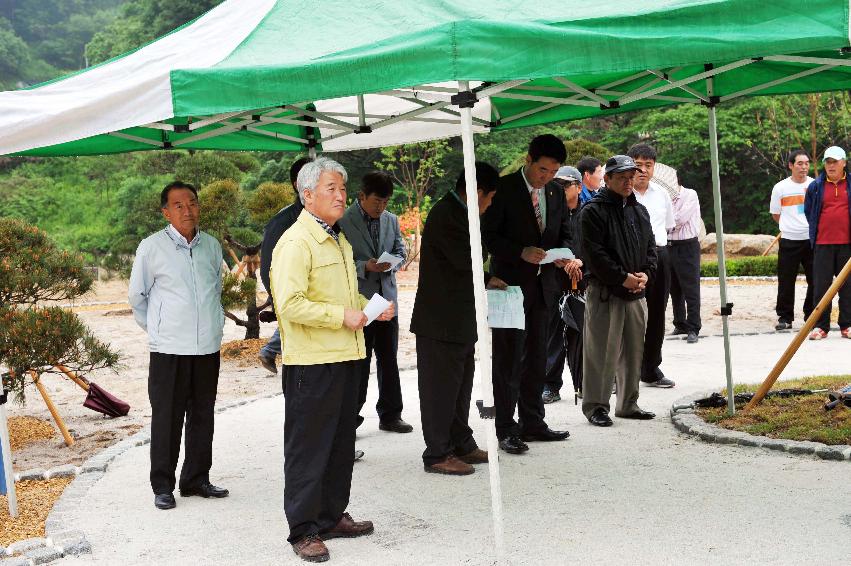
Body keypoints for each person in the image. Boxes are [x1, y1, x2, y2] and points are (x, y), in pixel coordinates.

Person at [270, 157, 394, 562]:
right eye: (330, 189)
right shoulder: (295, 242)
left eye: (342, 188)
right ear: (307, 195)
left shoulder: (337, 239)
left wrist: (370, 307)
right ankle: (302, 530)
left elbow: (342, 297)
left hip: (347, 355)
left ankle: (331, 515)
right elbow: (289, 304)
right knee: (309, 449)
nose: (340, 196)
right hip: (312, 363)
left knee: (341, 443)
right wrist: (342, 316)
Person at [129, 181, 229, 511]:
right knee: (167, 418)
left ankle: (196, 479)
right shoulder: (151, 247)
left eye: (192, 203)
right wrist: (160, 330)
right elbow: (137, 298)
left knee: (202, 415)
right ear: (166, 212)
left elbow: (217, 290)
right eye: (179, 205)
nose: (187, 210)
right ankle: (163, 486)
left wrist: (215, 325)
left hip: (206, 349)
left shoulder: (212, 246)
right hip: (168, 350)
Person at [481, 134, 577, 455]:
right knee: (508, 360)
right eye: (542, 170)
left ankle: (533, 421)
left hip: (543, 287)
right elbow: (488, 236)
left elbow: (565, 231)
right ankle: (506, 428)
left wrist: (565, 254)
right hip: (509, 287)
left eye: (553, 171)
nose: (547, 177)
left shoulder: (555, 192)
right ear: (528, 160)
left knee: (537, 357)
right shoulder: (504, 189)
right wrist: (520, 251)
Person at [411, 162, 502, 475]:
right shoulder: (447, 214)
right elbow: (469, 259)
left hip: (460, 317)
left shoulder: (462, 212)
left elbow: (476, 262)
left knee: (460, 386)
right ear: (477, 193)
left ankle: (460, 441)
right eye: (489, 199)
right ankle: (437, 452)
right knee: (440, 389)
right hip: (440, 319)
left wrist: (488, 278)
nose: (489, 206)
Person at [580, 155, 658, 427]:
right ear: (608, 179)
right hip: (605, 291)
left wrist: (646, 273)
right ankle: (596, 406)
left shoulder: (639, 210)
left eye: (631, 176)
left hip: (637, 291)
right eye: (622, 177)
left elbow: (651, 247)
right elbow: (594, 254)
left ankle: (628, 403)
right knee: (601, 351)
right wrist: (621, 277)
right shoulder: (592, 211)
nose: (628, 181)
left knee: (634, 351)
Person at [338, 171, 412, 434]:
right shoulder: (343, 221)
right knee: (360, 360)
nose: (381, 207)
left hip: (387, 300)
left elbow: (401, 251)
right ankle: (350, 420)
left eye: (385, 201)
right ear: (361, 196)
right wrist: (365, 266)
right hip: (360, 302)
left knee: (389, 359)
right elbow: (339, 261)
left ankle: (391, 415)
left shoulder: (391, 220)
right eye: (376, 201)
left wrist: (394, 262)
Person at [258, 157, 312, 375]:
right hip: (297, 305)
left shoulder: (330, 219)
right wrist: (279, 300)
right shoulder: (283, 221)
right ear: (297, 186)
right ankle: (270, 351)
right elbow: (267, 267)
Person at [628, 144, 675, 388]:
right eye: (638, 165)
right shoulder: (622, 195)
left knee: (657, 313)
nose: (643, 170)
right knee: (629, 314)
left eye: (648, 165)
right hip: (631, 258)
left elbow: (667, 225)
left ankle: (650, 367)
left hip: (659, 254)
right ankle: (623, 370)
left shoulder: (662, 194)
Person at [543, 166, 585, 404]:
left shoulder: (588, 212)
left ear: (578, 187)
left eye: (565, 184)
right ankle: (550, 384)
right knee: (553, 334)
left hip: (582, 281)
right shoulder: (550, 213)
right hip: (554, 280)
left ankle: (585, 385)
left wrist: (580, 261)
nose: (559, 189)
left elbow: (593, 245)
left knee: (583, 335)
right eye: (555, 184)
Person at [804, 145, 851, 340]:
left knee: (848, 287)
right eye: (827, 162)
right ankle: (821, 326)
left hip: (847, 244)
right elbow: (809, 211)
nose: (831, 166)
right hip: (823, 243)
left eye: (835, 162)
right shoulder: (815, 186)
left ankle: (847, 325)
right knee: (821, 286)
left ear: (844, 163)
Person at [769, 149, 814, 331]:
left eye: (806, 163)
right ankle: (785, 317)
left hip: (811, 240)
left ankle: (812, 315)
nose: (804, 167)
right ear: (790, 165)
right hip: (789, 240)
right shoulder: (780, 187)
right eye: (799, 164)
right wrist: (790, 226)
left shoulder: (814, 185)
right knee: (786, 280)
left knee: (815, 279)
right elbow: (775, 214)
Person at [663, 169, 703, 344]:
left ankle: (693, 327)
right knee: (673, 288)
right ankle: (680, 323)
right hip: (668, 245)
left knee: (690, 289)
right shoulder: (663, 197)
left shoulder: (690, 195)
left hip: (687, 245)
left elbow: (679, 220)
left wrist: (663, 223)